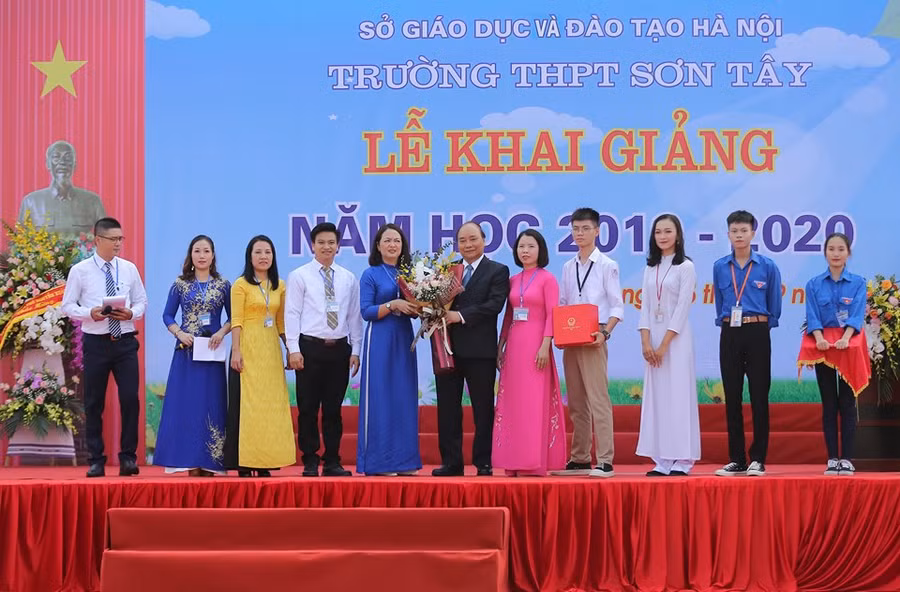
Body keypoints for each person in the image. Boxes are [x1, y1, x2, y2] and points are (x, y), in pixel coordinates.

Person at [61, 217, 146, 478]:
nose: (118, 243)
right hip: (95, 343)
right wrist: (90, 313)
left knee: (130, 399)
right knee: (94, 402)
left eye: (121, 239)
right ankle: (96, 460)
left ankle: (128, 458)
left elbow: (142, 302)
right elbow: (67, 306)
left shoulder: (129, 268)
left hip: (125, 343)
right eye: (113, 239)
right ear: (98, 240)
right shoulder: (80, 271)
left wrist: (131, 313)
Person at [432, 221, 510, 477]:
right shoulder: (447, 272)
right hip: (447, 350)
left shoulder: (497, 270)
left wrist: (459, 316)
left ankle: (483, 462)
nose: (468, 244)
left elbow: (494, 305)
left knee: (483, 409)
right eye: (463, 240)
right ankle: (451, 462)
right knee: (447, 409)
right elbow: (435, 304)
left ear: (484, 240)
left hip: (480, 351)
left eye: (473, 239)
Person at [285, 222, 363, 477]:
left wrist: (356, 350)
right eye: (321, 243)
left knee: (333, 409)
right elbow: (292, 313)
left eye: (331, 242)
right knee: (307, 408)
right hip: (309, 348)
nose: (326, 247)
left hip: (339, 350)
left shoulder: (348, 278)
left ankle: (332, 461)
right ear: (312, 246)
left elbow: (354, 316)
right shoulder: (299, 276)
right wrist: (293, 349)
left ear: (338, 246)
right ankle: (310, 460)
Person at [154, 235, 231, 476]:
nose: (201, 255)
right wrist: (179, 333)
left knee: (211, 404)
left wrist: (221, 332)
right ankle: (187, 460)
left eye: (206, 251)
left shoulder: (223, 285)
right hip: (186, 354)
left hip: (212, 355)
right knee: (186, 405)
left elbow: (234, 318)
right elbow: (167, 315)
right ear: (191, 255)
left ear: (213, 255)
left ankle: (211, 461)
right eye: (197, 251)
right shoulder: (180, 284)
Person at [713, 210, 783, 477]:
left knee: (759, 395)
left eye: (744, 231)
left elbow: (774, 304)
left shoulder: (767, 266)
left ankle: (758, 458)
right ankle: (737, 458)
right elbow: (720, 303)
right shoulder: (720, 266)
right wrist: (728, 322)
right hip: (730, 332)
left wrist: (763, 325)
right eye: (734, 231)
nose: (739, 235)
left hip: (757, 332)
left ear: (753, 233)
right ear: (728, 234)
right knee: (732, 396)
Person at [556, 207, 624, 478]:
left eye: (585, 228)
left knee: (598, 399)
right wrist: (559, 334)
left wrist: (605, 333)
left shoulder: (607, 265)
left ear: (597, 231)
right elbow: (563, 303)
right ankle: (580, 457)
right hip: (570, 335)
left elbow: (617, 306)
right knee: (576, 401)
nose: (580, 233)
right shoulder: (568, 266)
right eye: (575, 229)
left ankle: (605, 460)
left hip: (595, 335)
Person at [493, 230, 566, 476]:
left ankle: (534, 462)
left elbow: (552, 314)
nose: (525, 251)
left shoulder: (548, 279)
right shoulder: (513, 280)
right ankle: (513, 460)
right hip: (515, 346)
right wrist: (501, 344)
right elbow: (509, 315)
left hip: (537, 346)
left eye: (530, 246)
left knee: (534, 404)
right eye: (521, 246)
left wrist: (546, 345)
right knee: (514, 405)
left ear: (540, 249)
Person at [224, 235, 295, 477]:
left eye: (268, 252)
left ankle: (264, 461)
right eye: (258, 252)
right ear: (250, 256)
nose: (263, 256)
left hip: (270, 351)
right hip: (247, 348)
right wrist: (236, 350)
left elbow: (281, 322)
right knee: (247, 407)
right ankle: (244, 463)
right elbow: (236, 320)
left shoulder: (280, 286)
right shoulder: (240, 285)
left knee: (268, 407)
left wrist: (290, 348)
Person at [636, 215, 701, 476]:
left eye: (668, 231)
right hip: (652, 339)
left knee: (679, 396)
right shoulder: (650, 267)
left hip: (676, 340)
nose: (662, 236)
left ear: (678, 235)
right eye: (658, 232)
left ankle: (683, 459)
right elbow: (645, 306)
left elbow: (682, 308)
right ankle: (662, 459)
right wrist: (646, 342)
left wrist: (663, 345)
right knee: (658, 398)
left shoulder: (686, 266)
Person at [357, 224, 422, 476]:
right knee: (380, 397)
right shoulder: (370, 274)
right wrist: (392, 304)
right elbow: (366, 311)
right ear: (378, 245)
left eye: (397, 240)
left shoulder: (412, 274)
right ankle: (380, 462)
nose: (392, 245)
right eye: (387, 240)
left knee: (404, 397)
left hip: (404, 338)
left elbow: (416, 309)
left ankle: (405, 462)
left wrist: (423, 308)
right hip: (380, 339)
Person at [804, 233, 866, 476]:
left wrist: (846, 338)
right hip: (824, 348)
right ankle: (832, 458)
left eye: (841, 249)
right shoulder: (814, 284)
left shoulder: (858, 283)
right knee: (829, 403)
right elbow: (812, 315)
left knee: (847, 403)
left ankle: (847, 458)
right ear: (825, 253)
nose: (836, 253)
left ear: (848, 253)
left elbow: (857, 313)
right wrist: (819, 338)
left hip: (848, 347)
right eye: (831, 249)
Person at [19, 140, 106, 238]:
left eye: (67, 158)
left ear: (74, 164)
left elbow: (106, 237)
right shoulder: (31, 201)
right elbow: (20, 240)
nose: (62, 162)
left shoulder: (92, 201)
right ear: (48, 164)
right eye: (56, 157)